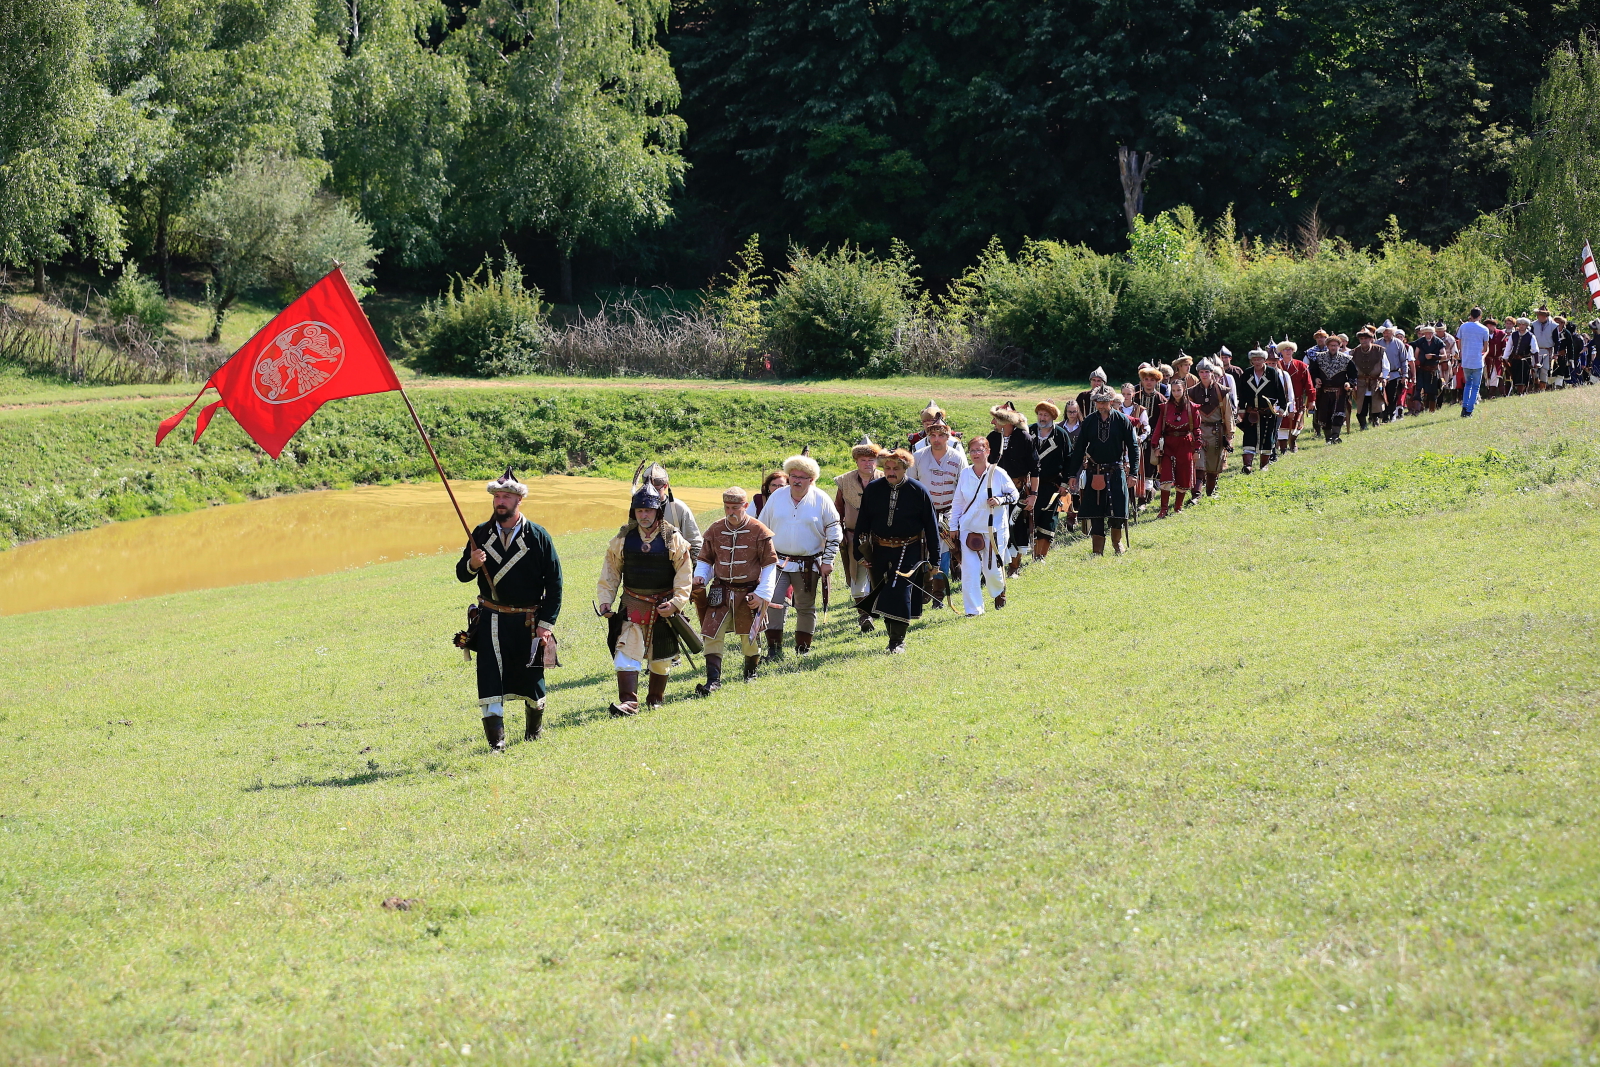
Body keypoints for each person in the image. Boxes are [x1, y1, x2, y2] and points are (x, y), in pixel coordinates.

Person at [456, 467, 563, 752]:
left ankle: (533, 733)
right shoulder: (480, 533)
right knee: (490, 677)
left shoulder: (538, 536)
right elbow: (461, 574)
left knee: (531, 679)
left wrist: (546, 624)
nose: (499, 501)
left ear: (519, 502)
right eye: (497, 496)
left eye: (506, 497)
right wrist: (472, 565)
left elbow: (555, 583)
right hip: (491, 620)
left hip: (528, 621)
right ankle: (497, 742)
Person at [596, 482, 694, 717]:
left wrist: (677, 603)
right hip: (633, 605)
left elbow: (684, 574)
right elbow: (610, 572)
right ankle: (628, 703)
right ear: (634, 511)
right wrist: (605, 600)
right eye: (640, 510)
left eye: (648, 510)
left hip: (663, 607)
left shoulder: (672, 537)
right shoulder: (623, 537)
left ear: (657, 510)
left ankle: (655, 699)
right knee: (625, 653)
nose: (644, 515)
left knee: (660, 659)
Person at [692, 487, 776, 695]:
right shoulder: (715, 529)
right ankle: (713, 680)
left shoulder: (759, 531)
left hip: (749, 592)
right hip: (720, 590)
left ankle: (750, 673)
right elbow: (705, 559)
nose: (730, 512)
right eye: (727, 507)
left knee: (749, 635)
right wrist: (700, 576)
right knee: (711, 634)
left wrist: (762, 594)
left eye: (735, 508)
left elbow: (769, 565)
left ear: (745, 506)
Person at [855, 448, 941, 653]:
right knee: (883, 593)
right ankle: (892, 636)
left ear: (905, 469)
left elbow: (931, 526)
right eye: (887, 467)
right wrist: (858, 553)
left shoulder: (918, 490)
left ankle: (897, 641)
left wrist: (935, 559)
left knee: (900, 591)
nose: (891, 472)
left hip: (908, 549)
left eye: (896, 468)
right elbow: (863, 522)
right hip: (879, 550)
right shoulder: (873, 489)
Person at [758, 454, 842, 659]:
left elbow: (834, 531)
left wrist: (828, 560)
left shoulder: (821, 499)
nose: (796, 480)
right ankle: (774, 650)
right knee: (773, 602)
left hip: (808, 564)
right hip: (777, 562)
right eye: (793, 475)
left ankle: (803, 650)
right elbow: (761, 528)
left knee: (805, 606)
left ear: (811, 480)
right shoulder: (777, 497)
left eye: (802, 477)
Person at [1066, 385, 1138, 556]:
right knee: (1095, 512)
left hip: (1116, 470)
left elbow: (1133, 447)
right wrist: (1071, 474)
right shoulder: (1089, 421)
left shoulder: (1122, 420)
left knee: (1117, 511)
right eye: (1098, 401)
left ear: (1111, 401)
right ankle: (1097, 550)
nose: (1101, 405)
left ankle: (1117, 543)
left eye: (1104, 401)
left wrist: (1133, 473)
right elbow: (1079, 449)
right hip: (1095, 472)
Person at [950, 435, 1018, 614]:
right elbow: (958, 502)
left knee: (992, 571)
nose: (975, 454)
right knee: (969, 572)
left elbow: (1014, 495)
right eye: (972, 450)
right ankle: (974, 610)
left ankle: (999, 590)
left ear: (987, 451)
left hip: (993, 529)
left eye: (979, 450)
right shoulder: (965, 473)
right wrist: (953, 527)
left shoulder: (999, 473)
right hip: (969, 528)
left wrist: (999, 499)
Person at [835, 436, 887, 631]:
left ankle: (876, 608)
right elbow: (838, 509)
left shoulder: (886, 478)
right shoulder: (844, 481)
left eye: (871, 459)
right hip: (853, 537)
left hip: (881, 537)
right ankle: (864, 615)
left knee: (881, 575)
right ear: (856, 461)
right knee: (857, 576)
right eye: (863, 459)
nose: (868, 463)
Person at [910, 419, 967, 587]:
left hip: (950, 511)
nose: (937, 439)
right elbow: (911, 486)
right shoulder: (918, 457)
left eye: (941, 435)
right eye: (933, 435)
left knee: (946, 550)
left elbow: (964, 487)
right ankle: (924, 585)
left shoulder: (957, 458)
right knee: (922, 549)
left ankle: (939, 590)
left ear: (948, 437)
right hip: (925, 512)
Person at [987, 402, 1038, 577]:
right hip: (995, 492)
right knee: (995, 527)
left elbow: (1035, 469)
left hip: (1019, 490)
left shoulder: (1024, 438)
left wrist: (1033, 495)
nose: (993, 423)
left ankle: (1014, 567)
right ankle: (995, 567)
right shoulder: (992, 439)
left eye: (996, 420)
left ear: (1006, 421)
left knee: (1015, 525)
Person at [1151, 378, 1202, 516]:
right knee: (1166, 476)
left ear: (1184, 389)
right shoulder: (1165, 407)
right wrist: (1155, 445)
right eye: (1173, 391)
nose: (1176, 393)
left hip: (1185, 444)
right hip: (1168, 444)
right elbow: (1158, 428)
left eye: (1178, 390)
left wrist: (1197, 448)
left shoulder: (1192, 408)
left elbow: (1197, 429)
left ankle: (1178, 507)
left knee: (1183, 476)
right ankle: (1163, 509)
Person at [1028, 401, 1072, 560]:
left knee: (1047, 520)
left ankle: (1041, 556)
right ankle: (1028, 553)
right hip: (1029, 486)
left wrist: (1065, 483)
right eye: (1040, 414)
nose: (1042, 417)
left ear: (1052, 417)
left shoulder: (1061, 434)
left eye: (1046, 415)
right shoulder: (1029, 431)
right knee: (1030, 519)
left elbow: (1069, 460)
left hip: (1051, 486)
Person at [1239, 348, 1288, 471]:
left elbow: (1280, 391)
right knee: (1249, 437)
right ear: (1251, 361)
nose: (1257, 362)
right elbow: (1242, 393)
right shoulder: (1247, 373)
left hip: (1267, 413)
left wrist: (1282, 408)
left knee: (1267, 438)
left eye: (1260, 359)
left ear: (1264, 360)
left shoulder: (1272, 373)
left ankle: (1264, 465)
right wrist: (1241, 410)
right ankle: (1247, 465)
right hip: (1251, 413)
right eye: (1254, 359)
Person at [640, 463, 703, 558]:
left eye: (656, 489)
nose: (651, 493)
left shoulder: (680, 509)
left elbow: (695, 544)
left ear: (665, 486)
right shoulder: (638, 509)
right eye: (648, 489)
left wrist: (696, 570)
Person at [1193, 360, 1234, 497]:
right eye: (1201, 372)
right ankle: (1196, 495)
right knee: (1198, 464)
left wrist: (1229, 435)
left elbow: (1228, 414)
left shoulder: (1222, 391)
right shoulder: (1191, 392)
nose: (1204, 374)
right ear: (1198, 373)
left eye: (1207, 372)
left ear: (1212, 373)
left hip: (1217, 432)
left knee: (1213, 466)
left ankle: (1210, 492)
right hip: (1199, 432)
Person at [1309, 334, 1355, 443]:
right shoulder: (1319, 357)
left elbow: (1353, 375)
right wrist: (1316, 379)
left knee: (1338, 414)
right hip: (1324, 391)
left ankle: (1335, 436)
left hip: (1339, 391)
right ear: (1327, 346)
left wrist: (1349, 383)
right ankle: (1327, 437)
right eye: (1331, 345)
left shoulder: (1346, 359)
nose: (1333, 347)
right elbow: (1312, 371)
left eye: (1335, 345)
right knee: (1325, 414)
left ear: (1340, 345)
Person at [1277, 341, 1314, 451]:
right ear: (1281, 352)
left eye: (1290, 349)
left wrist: (1312, 400)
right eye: (1285, 349)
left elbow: (1309, 384)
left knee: (1297, 423)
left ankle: (1292, 441)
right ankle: (1283, 446)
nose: (1288, 351)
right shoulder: (1276, 365)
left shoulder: (1301, 365)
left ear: (1293, 351)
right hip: (1281, 401)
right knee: (1282, 424)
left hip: (1297, 400)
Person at [1349, 328, 1389, 430]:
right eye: (1362, 338)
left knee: (1376, 403)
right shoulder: (1354, 352)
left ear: (1371, 339)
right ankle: (1363, 425)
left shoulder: (1379, 350)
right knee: (1361, 404)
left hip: (1375, 381)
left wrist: (1383, 377)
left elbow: (1386, 366)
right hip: (1360, 382)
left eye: (1366, 338)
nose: (1364, 340)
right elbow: (1351, 368)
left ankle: (1375, 420)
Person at [1456, 307, 1491, 416]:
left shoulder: (1463, 327)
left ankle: (1464, 407)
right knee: (1475, 386)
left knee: (1468, 385)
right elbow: (1485, 348)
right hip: (1477, 361)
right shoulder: (1484, 329)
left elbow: (1459, 344)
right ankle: (1469, 410)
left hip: (1466, 361)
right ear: (1480, 316)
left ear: (1471, 315)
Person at [1058, 400, 1085, 525]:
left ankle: (1077, 514)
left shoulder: (1083, 426)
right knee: (1065, 488)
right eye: (1070, 412)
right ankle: (1070, 516)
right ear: (1066, 412)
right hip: (1063, 462)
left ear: (1078, 411)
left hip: (1079, 462)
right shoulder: (1059, 427)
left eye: (1074, 411)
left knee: (1077, 489)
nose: (1072, 414)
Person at [1379, 323, 1411, 421]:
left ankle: (1392, 414)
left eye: (1388, 332)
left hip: (1394, 374)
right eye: (1384, 332)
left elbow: (1404, 360)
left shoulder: (1399, 343)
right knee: (1381, 395)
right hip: (1381, 375)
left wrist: (1405, 375)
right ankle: (1384, 416)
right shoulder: (1378, 343)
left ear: (1392, 332)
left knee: (1392, 395)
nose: (1386, 334)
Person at [1412, 326, 1447, 412]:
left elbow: (1444, 356)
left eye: (1430, 333)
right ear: (1424, 334)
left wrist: (1434, 356)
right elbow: (1416, 355)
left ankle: (1432, 410)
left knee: (1433, 391)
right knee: (1419, 389)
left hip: (1433, 370)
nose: (1429, 335)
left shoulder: (1438, 342)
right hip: (1422, 369)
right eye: (1427, 333)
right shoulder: (1420, 342)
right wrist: (1417, 363)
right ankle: (1418, 410)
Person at [1507, 318, 1536, 395]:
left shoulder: (1530, 336)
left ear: (1526, 325)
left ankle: (1521, 392)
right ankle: (1518, 392)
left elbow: (1535, 350)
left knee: (1523, 376)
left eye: (1523, 324)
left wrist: (1536, 362)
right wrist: (1505, 357)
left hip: (1525, 359)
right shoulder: (1514, 335)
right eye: (1520, 324)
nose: (1521, 326)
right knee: (1515, 376)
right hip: (1515, 359)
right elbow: (1509, 347)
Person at [1531, 308, 1558, 390]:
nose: (1539, 317)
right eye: (1538, 315)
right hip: (1535, 350)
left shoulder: (1553, 326)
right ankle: (1535, 385)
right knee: (1533, 369)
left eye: (1541, 315)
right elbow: (1531, 338)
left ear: (1545, 316)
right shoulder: (1534, 324)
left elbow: (1557, 341)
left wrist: (1555, 353)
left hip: (1547, 350)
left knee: (1544, 370)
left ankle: (1542, 388)